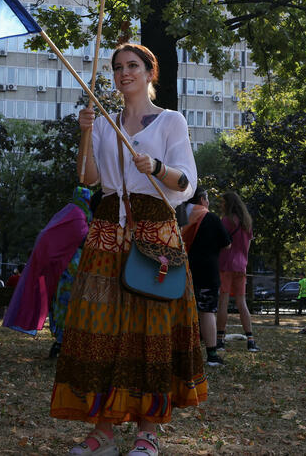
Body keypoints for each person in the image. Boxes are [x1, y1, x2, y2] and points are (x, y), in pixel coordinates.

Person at [52, 43, 202, 456]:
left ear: (150, 72)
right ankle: (102, 433)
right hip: (107, 230)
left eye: (132, 66)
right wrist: (85, 134)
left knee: (150, 328)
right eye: (117, 67)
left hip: (154, 229)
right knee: (103, 328)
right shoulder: (103, 122)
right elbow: (89, 177)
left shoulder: (171, 122)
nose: (123, 73)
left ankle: (147, 431)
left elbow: (186, 182)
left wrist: (155, 167)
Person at [182, 186, 232, 367]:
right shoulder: (210, 217)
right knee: (207, 311)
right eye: (208, 198)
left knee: (184, 312)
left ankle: (183, 352)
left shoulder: (181, 216)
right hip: (207, 272)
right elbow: (226, 244)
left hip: (183, 271)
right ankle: (211, 354)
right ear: (202, 199)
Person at [215, 191, 260, 352]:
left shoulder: (226, 221)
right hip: (241, 266)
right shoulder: (247, 223)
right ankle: (251, 340)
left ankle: (219, 340)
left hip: (226, 265)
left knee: (223, 302)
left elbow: (221, 242)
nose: (221, 205)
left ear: (228, 204)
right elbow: (246, 247)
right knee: (242, 303)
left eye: (222, 202)